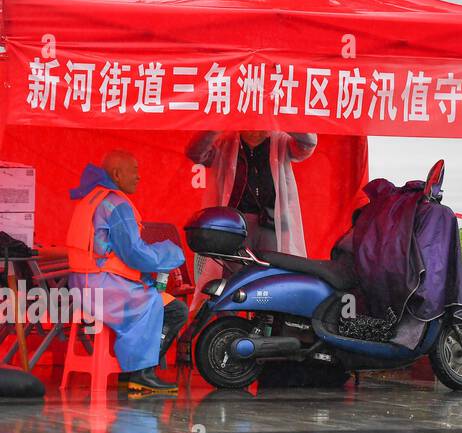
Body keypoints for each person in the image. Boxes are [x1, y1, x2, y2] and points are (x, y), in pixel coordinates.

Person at [66, 150, 186, 395]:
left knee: (163, 303)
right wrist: (170, 253)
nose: (139, 177)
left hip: (82, 285)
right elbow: (133, 253)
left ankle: (134, 371)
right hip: (104, 287)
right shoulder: (116, 204)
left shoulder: (91, 197)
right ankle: (142, 373)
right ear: (117, 174)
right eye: (135, 170)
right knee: (173, 309)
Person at [185, 131, 316, 286]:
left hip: (271, 223)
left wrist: (284, 117)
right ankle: (229, 311)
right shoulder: (225, 143)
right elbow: (195, 153)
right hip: (234, 226)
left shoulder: (281, 141)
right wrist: (216, 126)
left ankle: (266, 310)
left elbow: (308, 143)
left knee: (271, 278)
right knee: (232, 280)